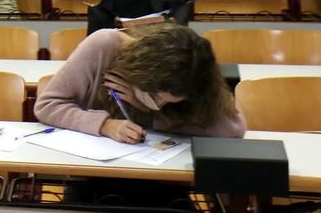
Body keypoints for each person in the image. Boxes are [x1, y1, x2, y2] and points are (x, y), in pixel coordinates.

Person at [35, 25, 245, 143]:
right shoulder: (104, 46)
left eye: (168, 103)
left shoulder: (193, 75)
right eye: (154, 97)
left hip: (163, 175)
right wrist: (105, 126)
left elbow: (233, 129)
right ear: (142, 72)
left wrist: (149, 112)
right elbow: (47, 105)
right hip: (95, 169)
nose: (159, 106)